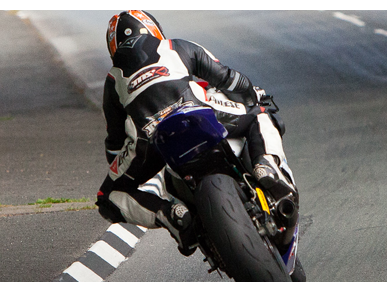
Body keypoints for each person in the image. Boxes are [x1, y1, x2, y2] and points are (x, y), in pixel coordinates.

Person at [95, 11, 299, 253]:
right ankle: (265, 165)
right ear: (153, 29)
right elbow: (228, 79)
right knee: (260, 115)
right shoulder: (176, 46)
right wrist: (254, 95)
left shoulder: (112, 79)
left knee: (107, 197)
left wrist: (123, 163)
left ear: (113, 48)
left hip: (151, 139)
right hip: (198, 111)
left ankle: (169, 214)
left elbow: (115, 144)